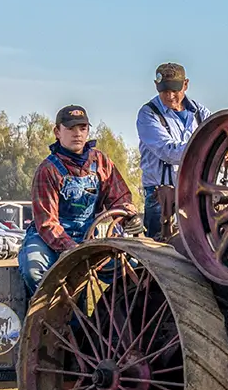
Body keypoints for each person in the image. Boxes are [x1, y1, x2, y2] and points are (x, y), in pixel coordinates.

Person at [18, 105, 139, 295]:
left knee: (132, 267)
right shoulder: (48, 170)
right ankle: (54, 316)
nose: (77, 134)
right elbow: (46, 222)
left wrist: (127, 214)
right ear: (57, 132)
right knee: (35, 269)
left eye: (82, 128)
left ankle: (114, 317)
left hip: (88, 234)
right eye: (71, 129)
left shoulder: (100, 161)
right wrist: (72, 249)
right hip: (50, 237)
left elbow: (119, 197)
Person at [136, 62, 210, 239]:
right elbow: (167, 151)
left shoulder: (201, 113)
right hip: (160, 196)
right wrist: (208, 147)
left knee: (199, 247)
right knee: (157, 252)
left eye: (175, 90)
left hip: (195, 192)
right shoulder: (148, 114)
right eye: (164, 91)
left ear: (186, 84)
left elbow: (219, 135)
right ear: (156, 86)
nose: (170, 96)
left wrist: (226, 148)